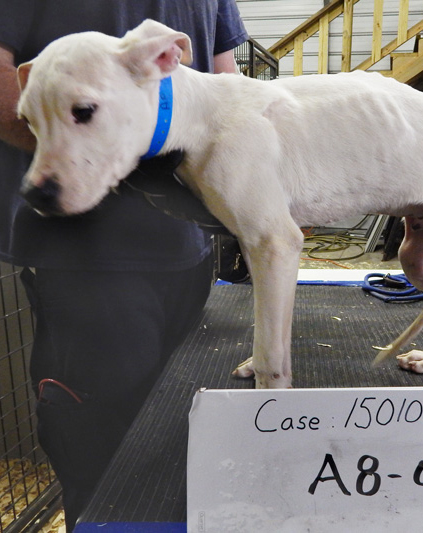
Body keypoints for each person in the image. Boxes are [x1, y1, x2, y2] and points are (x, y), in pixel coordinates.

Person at [0, 2, 248, 530]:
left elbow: (226, 79)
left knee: (183, 436)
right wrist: (76, 160)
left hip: (191, 244)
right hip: (82, 255)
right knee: (98, 450)